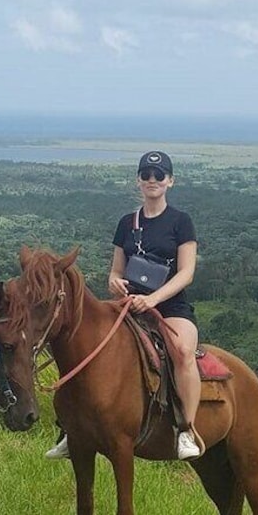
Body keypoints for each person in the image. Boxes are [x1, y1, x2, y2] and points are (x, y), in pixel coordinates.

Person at [45, 150, 202, 461]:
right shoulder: (126, 223)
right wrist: (115, 282)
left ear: (170, 181)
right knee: (78, 342)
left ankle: (186, 429)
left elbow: (187, 273)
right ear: (138, 181)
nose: (152, 180)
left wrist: (153, 299)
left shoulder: (181, 222)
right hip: (126, 305)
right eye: (147, 175)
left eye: (159, 175)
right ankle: (69, 427)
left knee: (183, 352)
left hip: (169, 308)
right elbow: (116, 271)